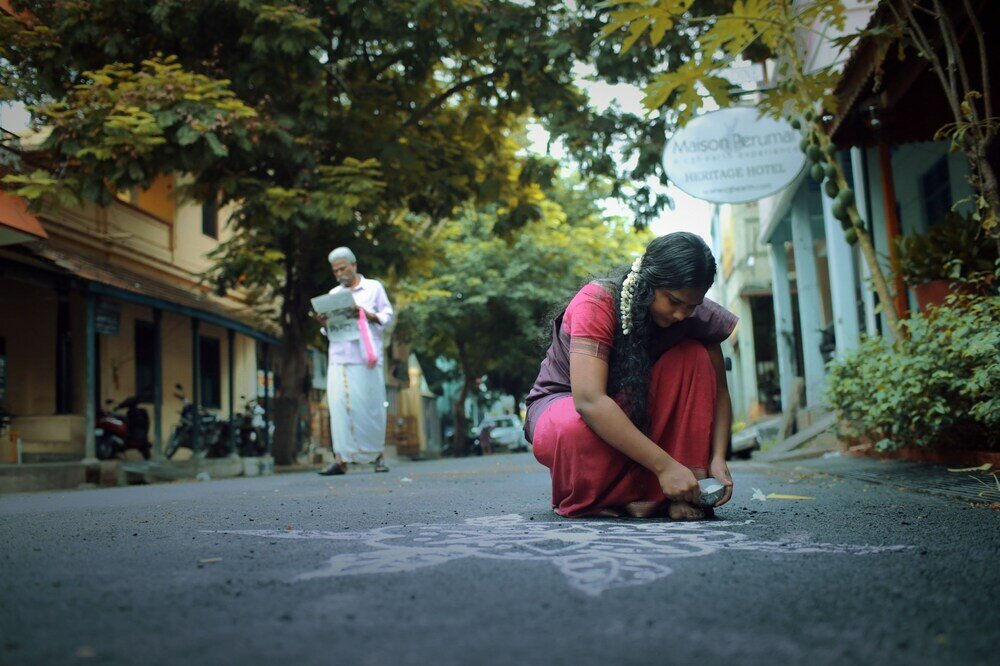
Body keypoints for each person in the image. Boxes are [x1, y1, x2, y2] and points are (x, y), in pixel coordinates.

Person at [525, 232, 738, 519]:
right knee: (571, 428)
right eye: (673, 301)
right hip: (569, 407)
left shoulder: (691, 310)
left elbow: (719, 392)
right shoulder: (597, 301)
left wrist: (717, 458)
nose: (680, 314)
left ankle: (682, 490)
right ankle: (622, 496)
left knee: (693, 355)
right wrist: (665, 466)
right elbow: (589, 402)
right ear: (647, 283)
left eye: (691, 306)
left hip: (638, 409)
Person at [317, 247, 394, 475]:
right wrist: (323, 322)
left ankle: (377, 456)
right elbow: (329, 330)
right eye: (335, 270)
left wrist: (367, 315)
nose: (339, 273)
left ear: (353, 265)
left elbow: (388, 318)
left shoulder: (373, 287)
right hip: (339, 358)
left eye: (342, 268)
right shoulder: (333, 295)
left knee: (370, 407)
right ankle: (341, 459)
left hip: (366, 357)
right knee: (339, 408)